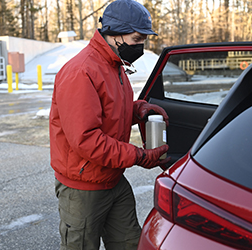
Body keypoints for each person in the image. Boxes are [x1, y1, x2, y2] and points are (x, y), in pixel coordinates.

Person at [49, 0, 170, 249]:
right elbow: (87, 139)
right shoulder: (81, 72)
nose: (141, 45)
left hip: (113, 178)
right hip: (83, 188)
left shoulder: (115, 65)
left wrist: (140, 110)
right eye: (137, 38)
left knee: (130, 243)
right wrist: (138, 155)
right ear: (114, 33)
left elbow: (111, 109)